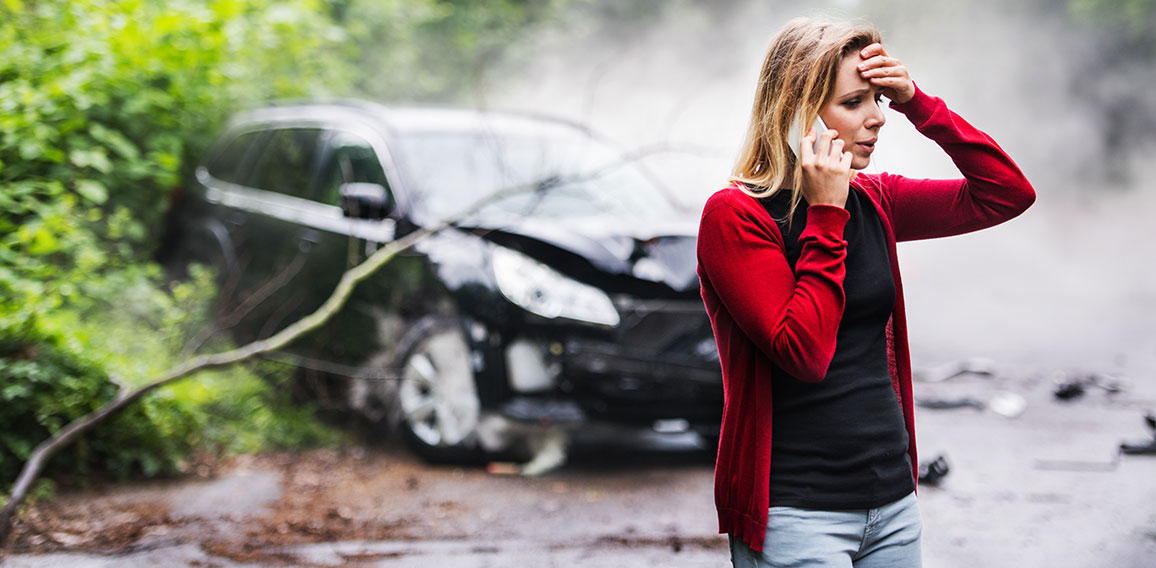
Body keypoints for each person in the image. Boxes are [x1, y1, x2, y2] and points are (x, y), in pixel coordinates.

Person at [695, 16, 1035, 567]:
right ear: (796, 112)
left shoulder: (874, 199)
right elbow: (803, 353)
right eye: (855, 102)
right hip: (797, 514)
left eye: (878, 98)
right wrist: (826, 212)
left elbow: (1007, 193)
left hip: (892, 505)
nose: (878, 118)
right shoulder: (736, 216)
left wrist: (918, 102)